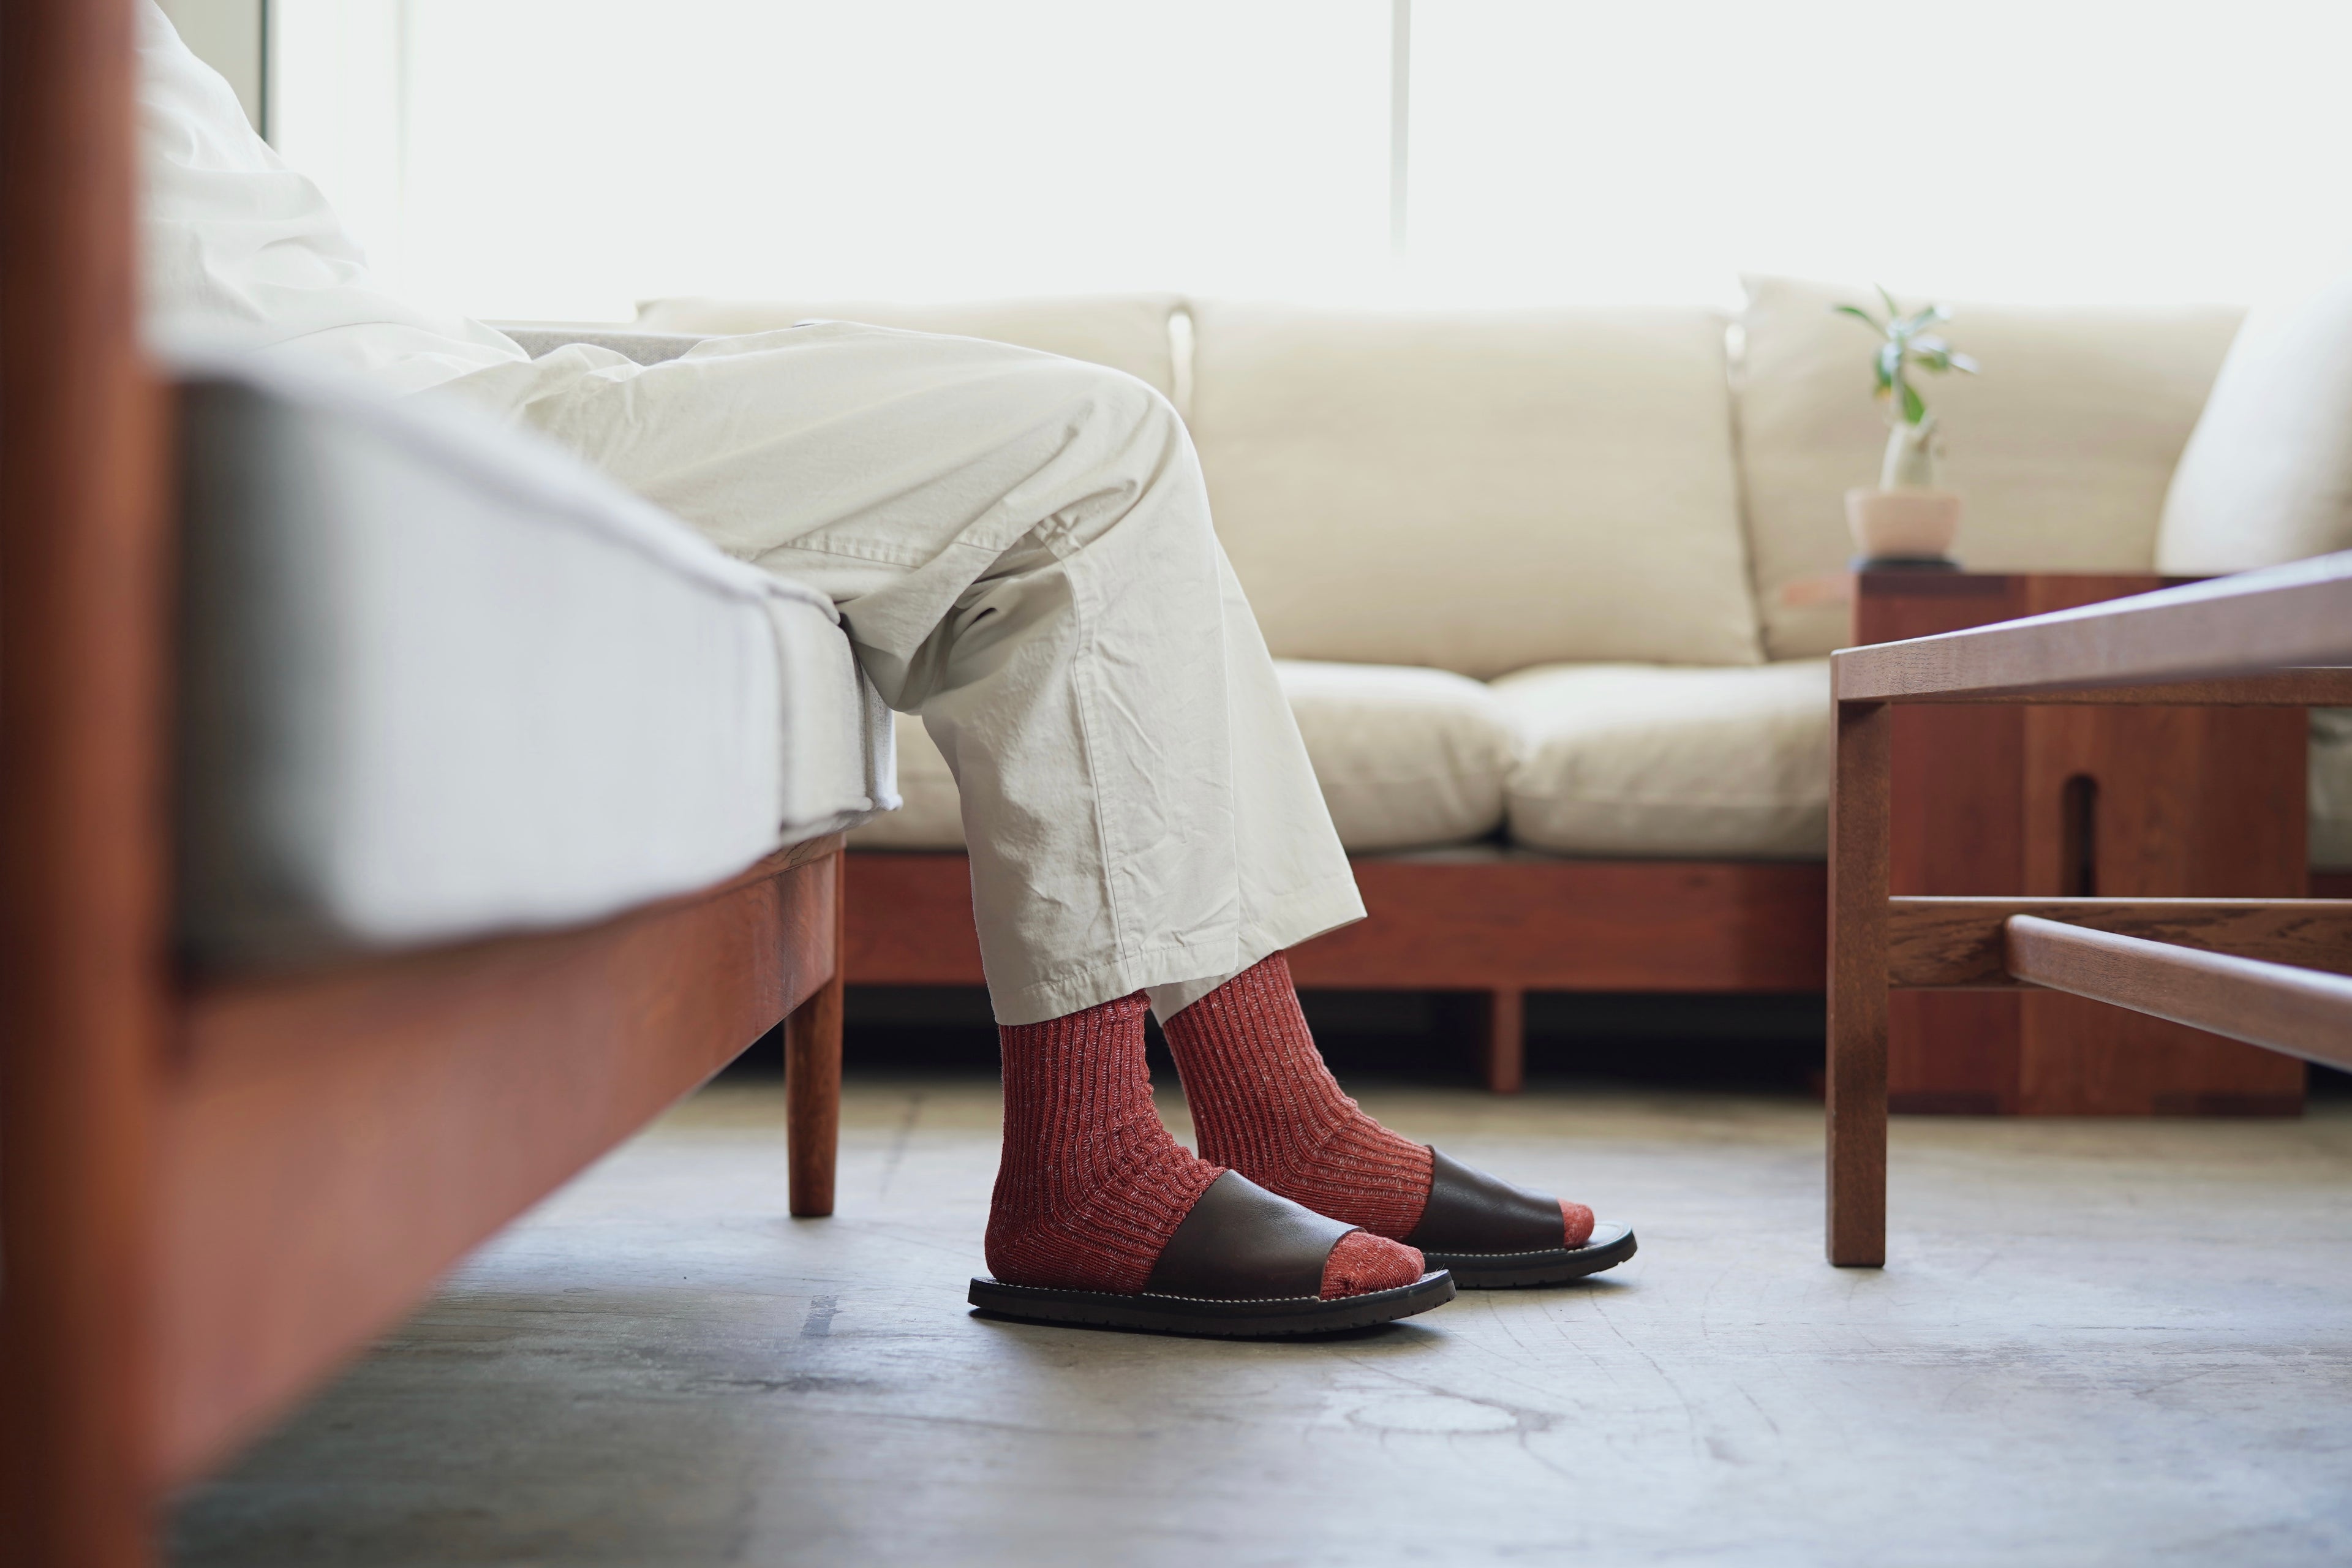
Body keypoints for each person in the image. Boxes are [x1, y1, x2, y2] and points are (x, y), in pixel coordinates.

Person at [138, 3, 1632, 1336]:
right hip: (382, 446)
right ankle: (1177, 1142)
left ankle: (1181, 1143)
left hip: (448, 383)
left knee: (1048, 552)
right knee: (1098, 444)